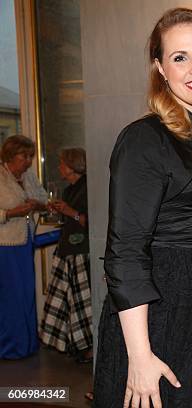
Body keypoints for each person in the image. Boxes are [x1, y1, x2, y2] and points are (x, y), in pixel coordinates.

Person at [93, 8, 192, 408]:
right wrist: (140, 356)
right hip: (161, 315)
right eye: (179, 57)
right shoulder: (143, 140)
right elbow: (125, 254)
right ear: (161, 68)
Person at [39, 147, 93, 363]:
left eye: (62, 163)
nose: (59, 167)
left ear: (72, 166)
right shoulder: (70, 189)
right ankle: (71, 344)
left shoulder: (88, 186)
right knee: (66, 301)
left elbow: (90, 221)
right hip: (67, 251)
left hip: (81, 252)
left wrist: (69, 211)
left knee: (83, 303)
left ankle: (89, 347)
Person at [0, 135, 47, 359]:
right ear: (10, 155)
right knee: (10, 296)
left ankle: (27, 344)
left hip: (25, 241)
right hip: (4, 246)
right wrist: (10, 213)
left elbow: (42, 199)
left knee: (27, 294)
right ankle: (9, 348)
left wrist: (37, 204)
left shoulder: (28, 175)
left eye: (30, 156)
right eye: (24, 156)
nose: (28, 161)